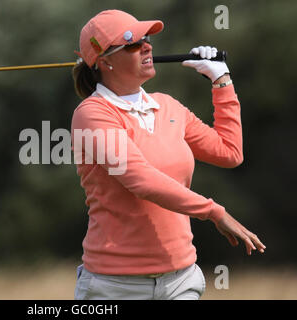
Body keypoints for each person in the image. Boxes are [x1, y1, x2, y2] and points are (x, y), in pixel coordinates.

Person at [70, 9, 266, 300]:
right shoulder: (92, 114)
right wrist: (214, 212)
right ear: (104, 61)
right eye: (133, 44)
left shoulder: (168, 106)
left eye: (147, 39)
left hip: (181, 280)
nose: (147, 46)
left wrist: (221, 80)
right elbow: (141, 180)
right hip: (114, 287)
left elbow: (230, 152)